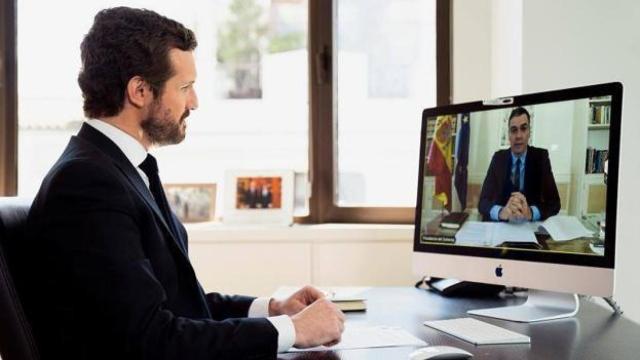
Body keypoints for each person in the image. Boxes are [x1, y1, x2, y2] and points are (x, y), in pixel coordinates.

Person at [18, 7, 344, 360]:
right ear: (140, 90)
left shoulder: (117, 168)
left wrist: (274, 309)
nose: (194, 102)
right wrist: (293, 331)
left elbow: (177, 305)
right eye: (185, 87)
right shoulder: (87, 184)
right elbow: (151, 338)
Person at [478, 107, 561, 222]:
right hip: (502, 227)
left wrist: (531, 213)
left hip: (529, 227)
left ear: (529, 133)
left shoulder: (541, 157)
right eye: (514, 130)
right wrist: (501, 212)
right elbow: (483, 202)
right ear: (508, 135)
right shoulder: (498, 158)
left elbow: (555, 203)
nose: (518, 136)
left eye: (523, 129)